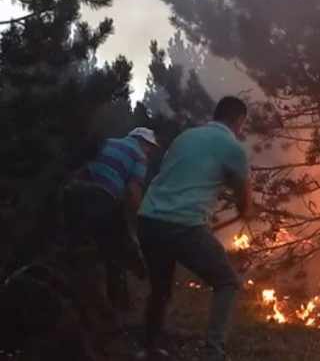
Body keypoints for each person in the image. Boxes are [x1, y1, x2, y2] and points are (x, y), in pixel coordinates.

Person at [137, 96, 253, 361]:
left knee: (160, 290)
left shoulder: (186, 137)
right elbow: (244, 197)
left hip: (148, 219)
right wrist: (247, 210)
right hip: (182, 226)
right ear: (239, 121)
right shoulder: (232, 147)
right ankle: (213, 353)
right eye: (243, 124)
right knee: (227, 282)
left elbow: (176, 174)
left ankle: (148, 349)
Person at [76, 126, 158, 309]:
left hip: (77, 193)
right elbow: (134, 189)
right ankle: (120, 303)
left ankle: (79, 294)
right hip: (103, 199)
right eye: (150, 147)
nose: (150, 151)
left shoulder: (109, 141)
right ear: (142, 142)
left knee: (81, 247)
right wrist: (141, 217)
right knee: (115, 251)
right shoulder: (139, 155)